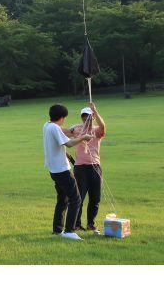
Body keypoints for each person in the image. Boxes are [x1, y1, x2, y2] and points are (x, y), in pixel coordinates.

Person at [43, 103, 93, 240]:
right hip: (61, 170)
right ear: (62, 117)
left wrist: (75, 133)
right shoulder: (54, 128)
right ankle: (69, 231)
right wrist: (83, 137)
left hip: (53, 170)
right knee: (75, 199)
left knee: (62, 199)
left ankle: (57, 229)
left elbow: (63, 136)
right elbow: (69, 144)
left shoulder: (47, 125)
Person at [69, 102, 106, 234]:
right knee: (79, 197)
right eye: (84, 116)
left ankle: (91, 224)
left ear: (93, 117)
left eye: (89, 116)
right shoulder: (77, 130)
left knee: (95, 198)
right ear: (81, 117)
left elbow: (103, 126)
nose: (87, 118)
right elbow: (66, 134)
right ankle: (76, 224)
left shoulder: (96, 131)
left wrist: (95, 111)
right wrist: (75, 127)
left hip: (95, 167)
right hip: (80, 168)